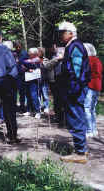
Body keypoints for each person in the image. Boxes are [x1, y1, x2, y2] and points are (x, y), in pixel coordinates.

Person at [58, 21, 91, 164]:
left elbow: (77, 71)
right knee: (77, 117)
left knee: (75, 118)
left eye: (63, 32)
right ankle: (81, 148)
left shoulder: (75, 46)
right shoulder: (72, 46)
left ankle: (80, 153)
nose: (60, 35)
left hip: (74, 90)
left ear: (71, 33)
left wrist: (74, 89)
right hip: (74, 88)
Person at [83, 43, 102, 138]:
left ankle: (89, 130)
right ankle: (94, 129)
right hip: (97, 86)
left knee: (86, 108)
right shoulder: (97, 60)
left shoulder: (88, 60)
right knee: (92, 109)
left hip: (90, 86)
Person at [22, 48, 42, 119]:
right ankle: (29, 110)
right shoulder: (29, 59)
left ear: (34, 54)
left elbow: (25, 63)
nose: (29, 55)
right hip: (28, 78)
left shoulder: (37, 59)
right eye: (29, 53)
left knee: (34, 95)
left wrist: (27, 64)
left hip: (34, 80)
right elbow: (22, 63)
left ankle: (37, 111)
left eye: (30, 54)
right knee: (28, 95)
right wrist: (27, 68)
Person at [14, 41, 29, 114]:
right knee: (14, 92)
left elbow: (28, 63)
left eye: (19, 47)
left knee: (22, 92)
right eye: (16, 47)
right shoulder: (13, 53)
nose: (18, 48)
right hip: (14, 75)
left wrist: (26, 67)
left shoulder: (24, 53)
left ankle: (22, 107)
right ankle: (14, 107)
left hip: (22, 75)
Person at [38, 47, 50, 114]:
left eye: (40, 52)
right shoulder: (35, 60)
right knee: (38, 94)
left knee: (45, 94)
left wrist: (42, 64)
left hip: (44, 79)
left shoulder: (46, 60)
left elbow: (47, 68)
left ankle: (46, 107)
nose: (39, 53)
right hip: (37, 80)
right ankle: (39, 106)